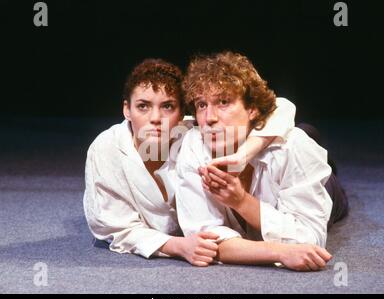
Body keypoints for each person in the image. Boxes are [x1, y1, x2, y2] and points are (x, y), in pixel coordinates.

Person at [83, 58, 302, 267]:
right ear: (126, 110)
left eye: (168, 106)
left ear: (182, 115)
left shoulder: (191, 131)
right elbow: (115, 227)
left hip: (302, 172)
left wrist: (244, 154)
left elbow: (281, 107)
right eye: (143, 106)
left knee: (306, 143)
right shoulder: (107, 148)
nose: (155, 117)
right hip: (188, 234)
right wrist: (177, 246)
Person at [176, 51, 348, 271]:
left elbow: (309, 238)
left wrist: (241, 202)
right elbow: (205, 240)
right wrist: (279, 252)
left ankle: (317, 146)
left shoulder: (293, 146)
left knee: (308, 148)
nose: (209, 117)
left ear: (252, 109)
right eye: (201, 105)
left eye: (223, 102)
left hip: (322, 185)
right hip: (271, 151)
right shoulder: (194, 144)